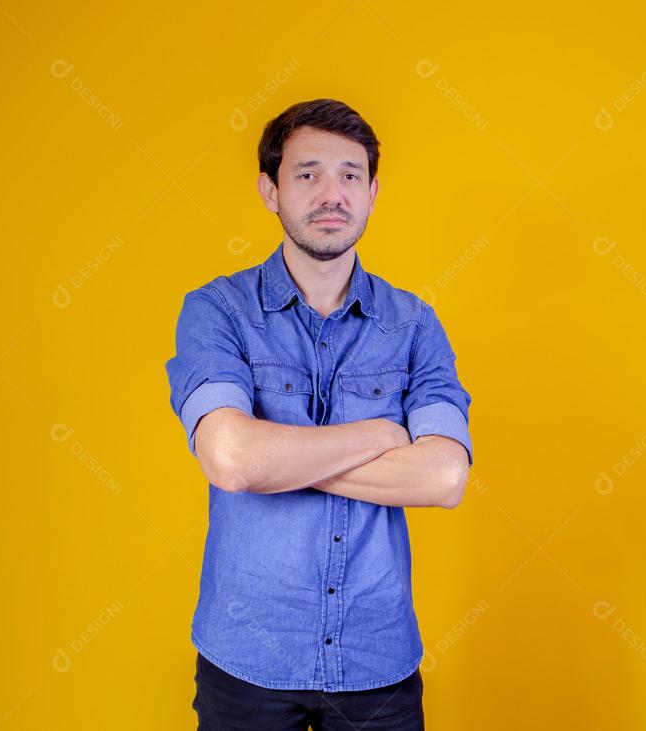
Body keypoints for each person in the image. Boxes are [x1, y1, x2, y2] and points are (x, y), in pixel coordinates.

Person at [164, 98, 474, 730]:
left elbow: (443, 477)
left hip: (376, 658)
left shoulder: (414, 325)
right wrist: (382, 434)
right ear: (269, 190)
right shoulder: (216, 311)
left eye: (350, 175)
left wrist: (276, 460)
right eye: (307, 174)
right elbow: (231, 459)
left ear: (373, 191)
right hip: (247, 656)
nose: (331, 193)